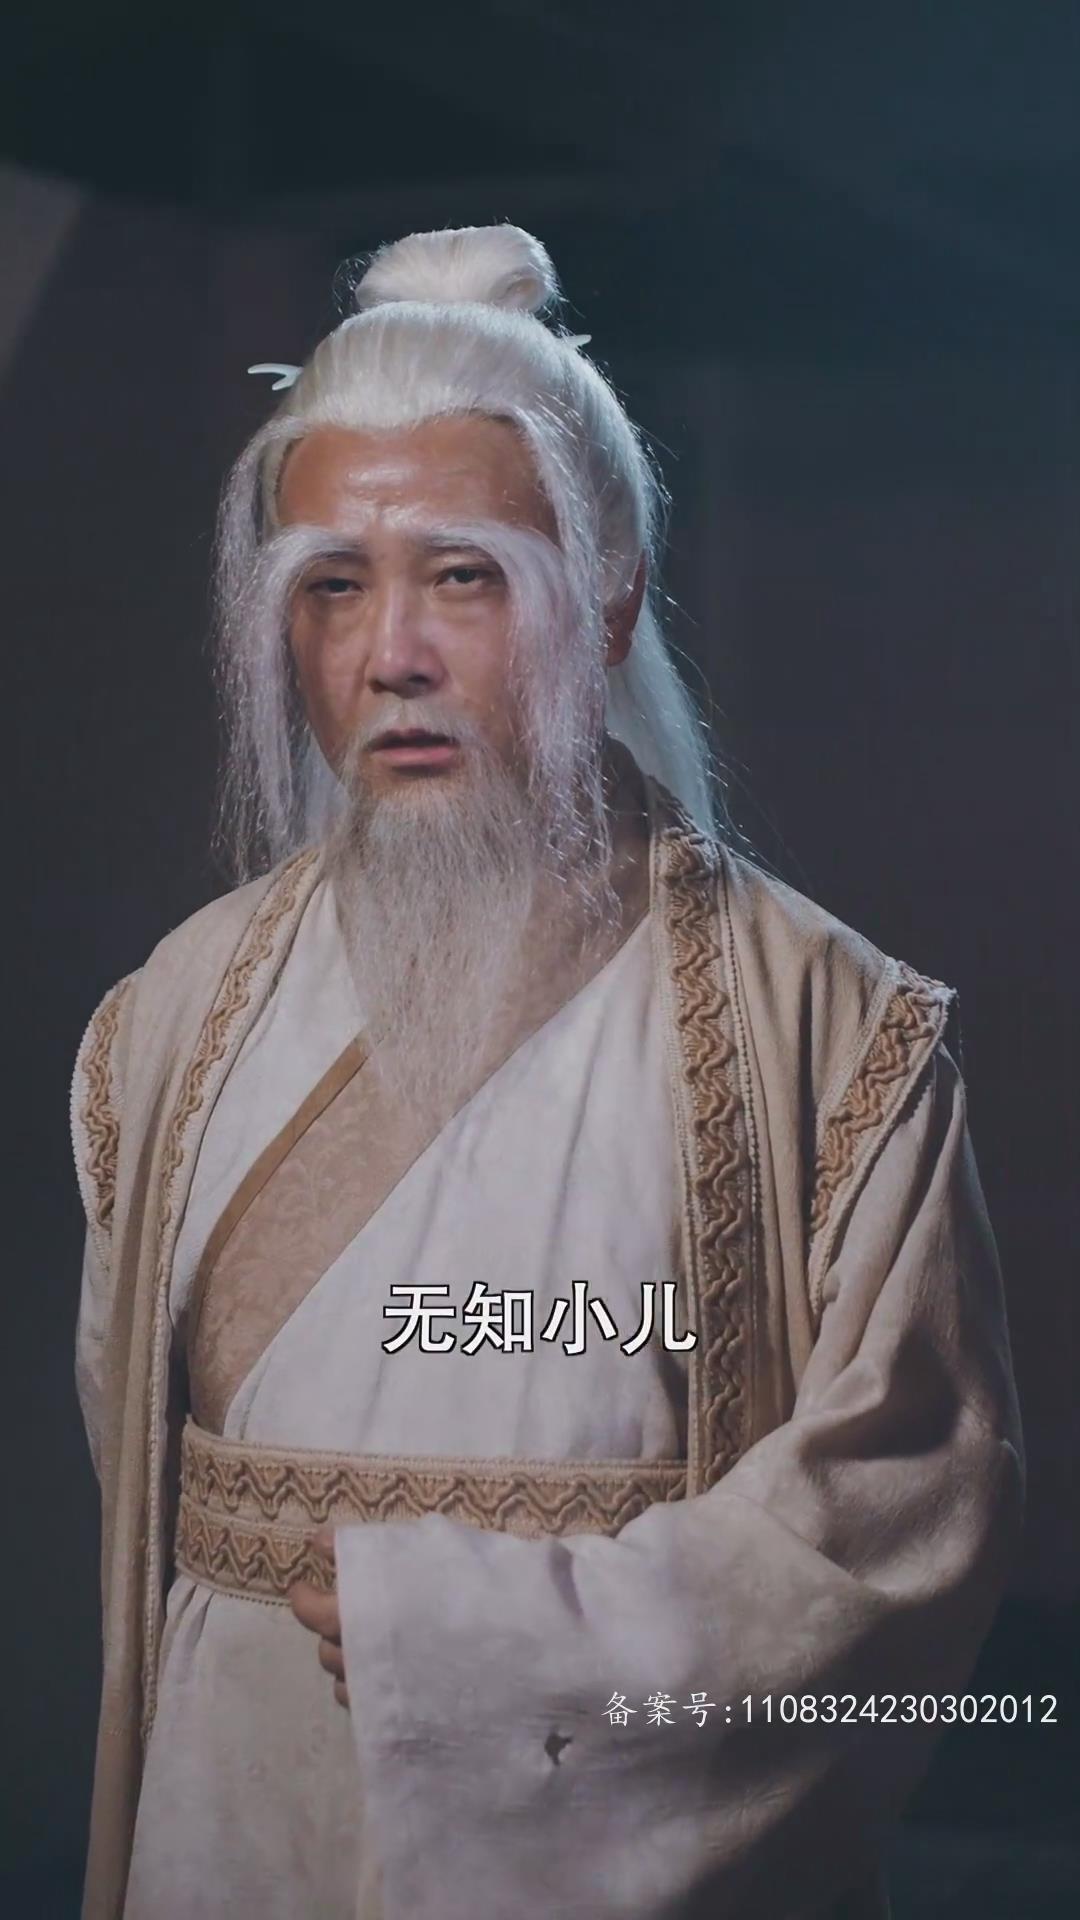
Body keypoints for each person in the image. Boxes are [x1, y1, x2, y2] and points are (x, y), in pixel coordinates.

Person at [71, 223, 1023, 1920]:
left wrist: (486, 1649)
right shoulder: (169, 1021)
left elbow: (904, 1517)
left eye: (464, 575)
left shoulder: (827, 1032)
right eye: (333, 584)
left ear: (612, 592)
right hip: (240, 1822)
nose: (391, 656)